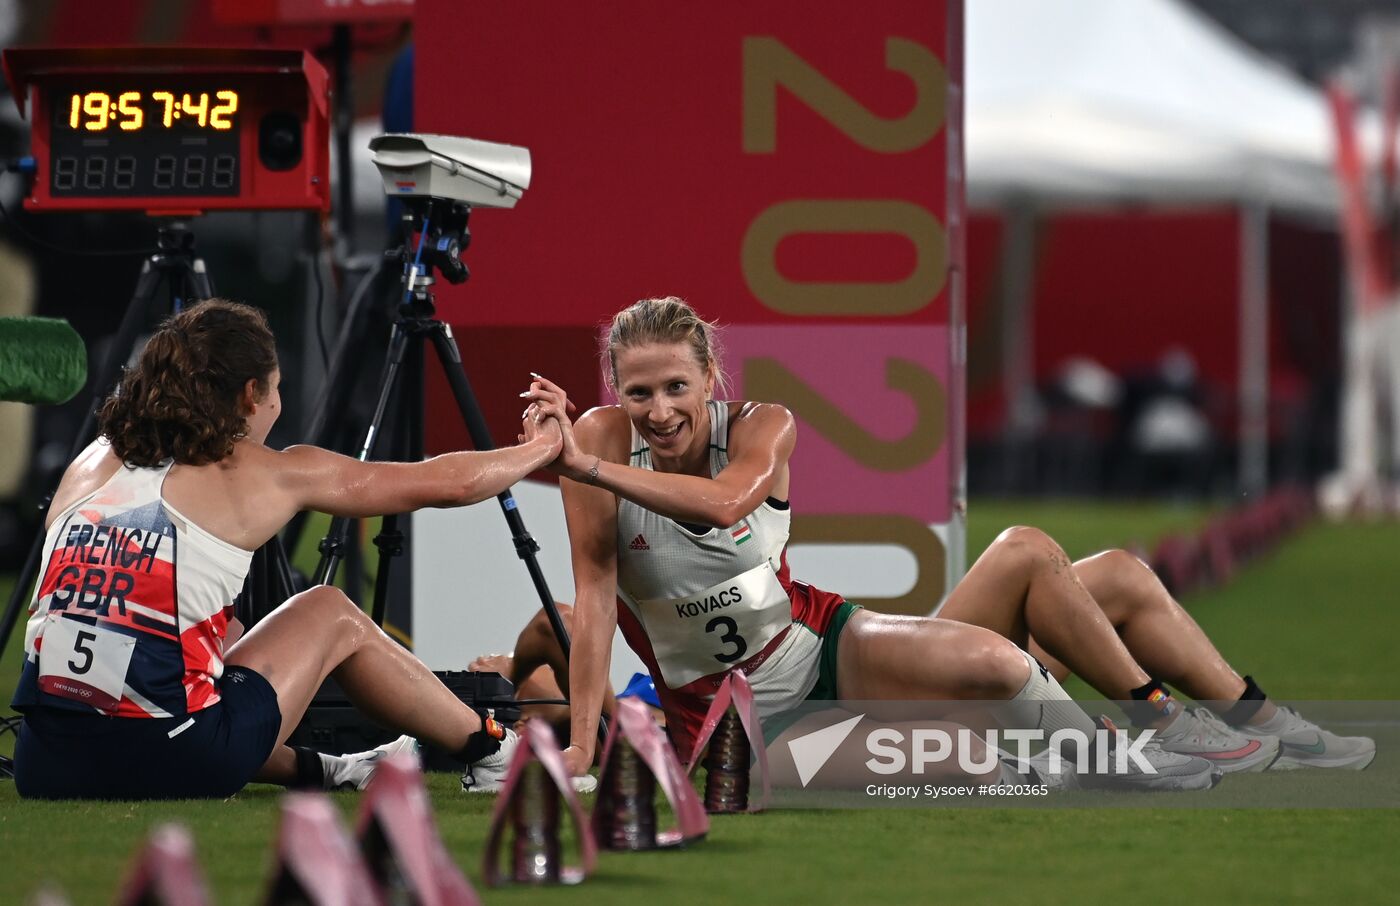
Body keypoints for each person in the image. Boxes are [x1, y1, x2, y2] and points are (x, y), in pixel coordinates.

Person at [519, 297, 1220, 792]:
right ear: (615, 390)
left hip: (822, 643)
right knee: (966, 760)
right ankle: (1093, 753)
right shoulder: (605, 443)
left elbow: (726, 503)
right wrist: (583, 744)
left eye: (677, 386)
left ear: (711, 377)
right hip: (745, 729)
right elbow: (597, 600)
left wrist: (583, 466)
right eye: (640, 393)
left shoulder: (761, 424)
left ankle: (1126, 750)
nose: (661, 411)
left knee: (999, 661)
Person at [10, 299, 576, 800]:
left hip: (45, 763)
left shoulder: (91, 460)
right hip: (177, 756)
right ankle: (493, 753)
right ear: (250, 395)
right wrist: (544, 446)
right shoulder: (265, 473)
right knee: (328, 609)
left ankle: (335, 770)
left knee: (211, 639)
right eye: (276, 391)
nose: (277, 408)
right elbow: (447, 483)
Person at [945, 544, 1375, 771]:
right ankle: (1163, 718)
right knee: (1024, 551)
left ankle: (1269, 724)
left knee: (1119, 572)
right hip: (896, 712)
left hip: (909, 660)